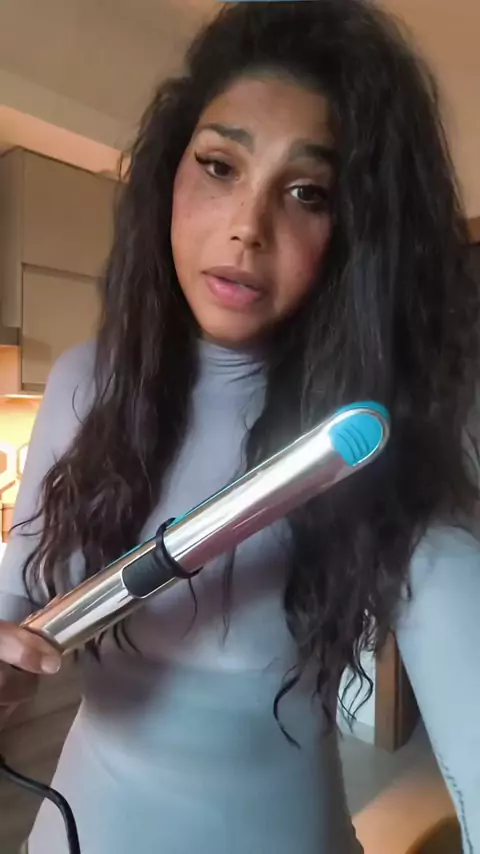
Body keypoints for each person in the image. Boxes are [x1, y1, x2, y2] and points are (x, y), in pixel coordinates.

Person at [0, 1, 479, 852]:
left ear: (355, 231)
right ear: (169, 176)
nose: (247, 227)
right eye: (220, 166)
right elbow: (15, 597)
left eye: (306, 193)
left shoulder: (368, 445)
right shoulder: (82, 382)